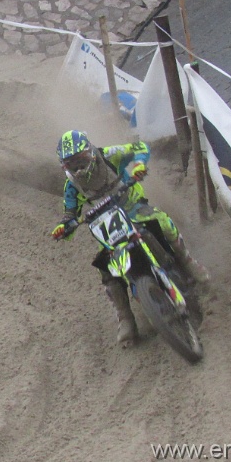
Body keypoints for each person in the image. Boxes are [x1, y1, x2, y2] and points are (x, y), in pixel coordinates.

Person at [50, 130, 209, 348]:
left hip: (133, 207)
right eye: (71, 164)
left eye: (81, 160)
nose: (78, 168)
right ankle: (125, 318)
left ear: (90, 152)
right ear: (64, 167)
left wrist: (139, 165)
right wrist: (63, 227)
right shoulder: (71, 187)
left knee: (162, 223)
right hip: (106, 225)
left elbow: (140, 148)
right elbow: (70, 214)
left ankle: (190, 264)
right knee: (105, 267)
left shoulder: (109, 155)